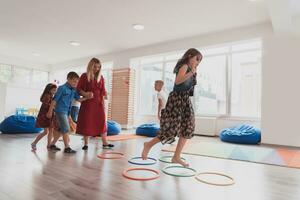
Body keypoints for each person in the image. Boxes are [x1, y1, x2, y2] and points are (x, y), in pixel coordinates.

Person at [141, 48, 202, 167]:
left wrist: (193, 73)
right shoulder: (184, 66)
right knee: (171, 130)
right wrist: (191, 73)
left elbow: (189, 89)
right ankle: (148, 144)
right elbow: (178, 81)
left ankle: (176, 157)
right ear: (190, 56)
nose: (198, 62)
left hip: (185, 100)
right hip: (176, 100)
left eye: (199, 61)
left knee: (188, 127)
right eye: (197, 59)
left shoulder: (192, 69)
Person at [76, 58, 113, 150]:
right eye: (95, 67)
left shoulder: (101, 78)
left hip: (99, 104)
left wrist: (105, 101)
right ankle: (86, 144)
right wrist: (85, 94)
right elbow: (78, 89)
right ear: (90, 66)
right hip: (88, 103)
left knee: (102, 122)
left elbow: (103, 91)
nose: (96, 69)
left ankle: (105, 143)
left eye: (98, 67)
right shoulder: (84, 76)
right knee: (87, 121)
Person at [47, 72, 87, 153]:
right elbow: (54, 100)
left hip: (67, 112)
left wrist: (87, 97)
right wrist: (50, 111)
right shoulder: (62, 88)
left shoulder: (74, 90)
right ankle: (67, 148)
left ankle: (52, 144)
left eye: (77, 82)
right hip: (60, 111)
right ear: (68, 79)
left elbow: (78, 99)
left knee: (60, 130)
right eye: (74, 81)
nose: (75, 83)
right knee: (66, 128)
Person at [31, 83, 57, 151]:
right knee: (46, 132)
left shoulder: (50, 96)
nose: (55, 91)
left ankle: (49, 145)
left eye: (55, 90)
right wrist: (53, 106)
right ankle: (34, 143)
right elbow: (46, 105)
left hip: (49, 115)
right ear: (49, 90)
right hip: (45, 116)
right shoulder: (47, 96)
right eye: (54, 90)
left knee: (50, 130)